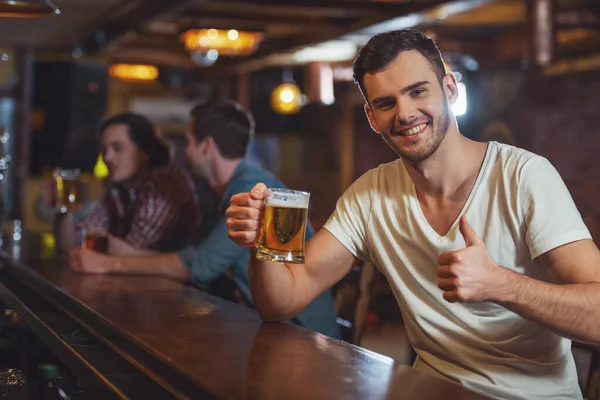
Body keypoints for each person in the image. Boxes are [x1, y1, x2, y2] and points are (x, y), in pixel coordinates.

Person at [225, 29, 600, 400]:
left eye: (417, 91)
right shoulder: (370, 195)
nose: (405, 113)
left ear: (450, 90)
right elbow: (281, 303)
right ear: (372, 117)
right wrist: (263, 239)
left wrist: (501, 285)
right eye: (387, 103)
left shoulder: (524, 175)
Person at [67, 100, 341, 339]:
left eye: (188, 141)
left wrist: (107, 264)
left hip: (303, 334)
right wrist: (126, 253)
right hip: (267, 324)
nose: (185, 151)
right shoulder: (223, 192)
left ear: (207, 146)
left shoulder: (253, 192)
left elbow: (200, 266)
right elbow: (196, 256)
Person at [50, 113, 201, 253]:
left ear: (145, 152)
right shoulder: (119, 190)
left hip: (176, 281)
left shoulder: (166, 183)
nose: (107, 157)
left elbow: (133, 251)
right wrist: (64, 207)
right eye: (103, 149)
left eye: (118, 148)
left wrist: (103, 242)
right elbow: (72, 245)